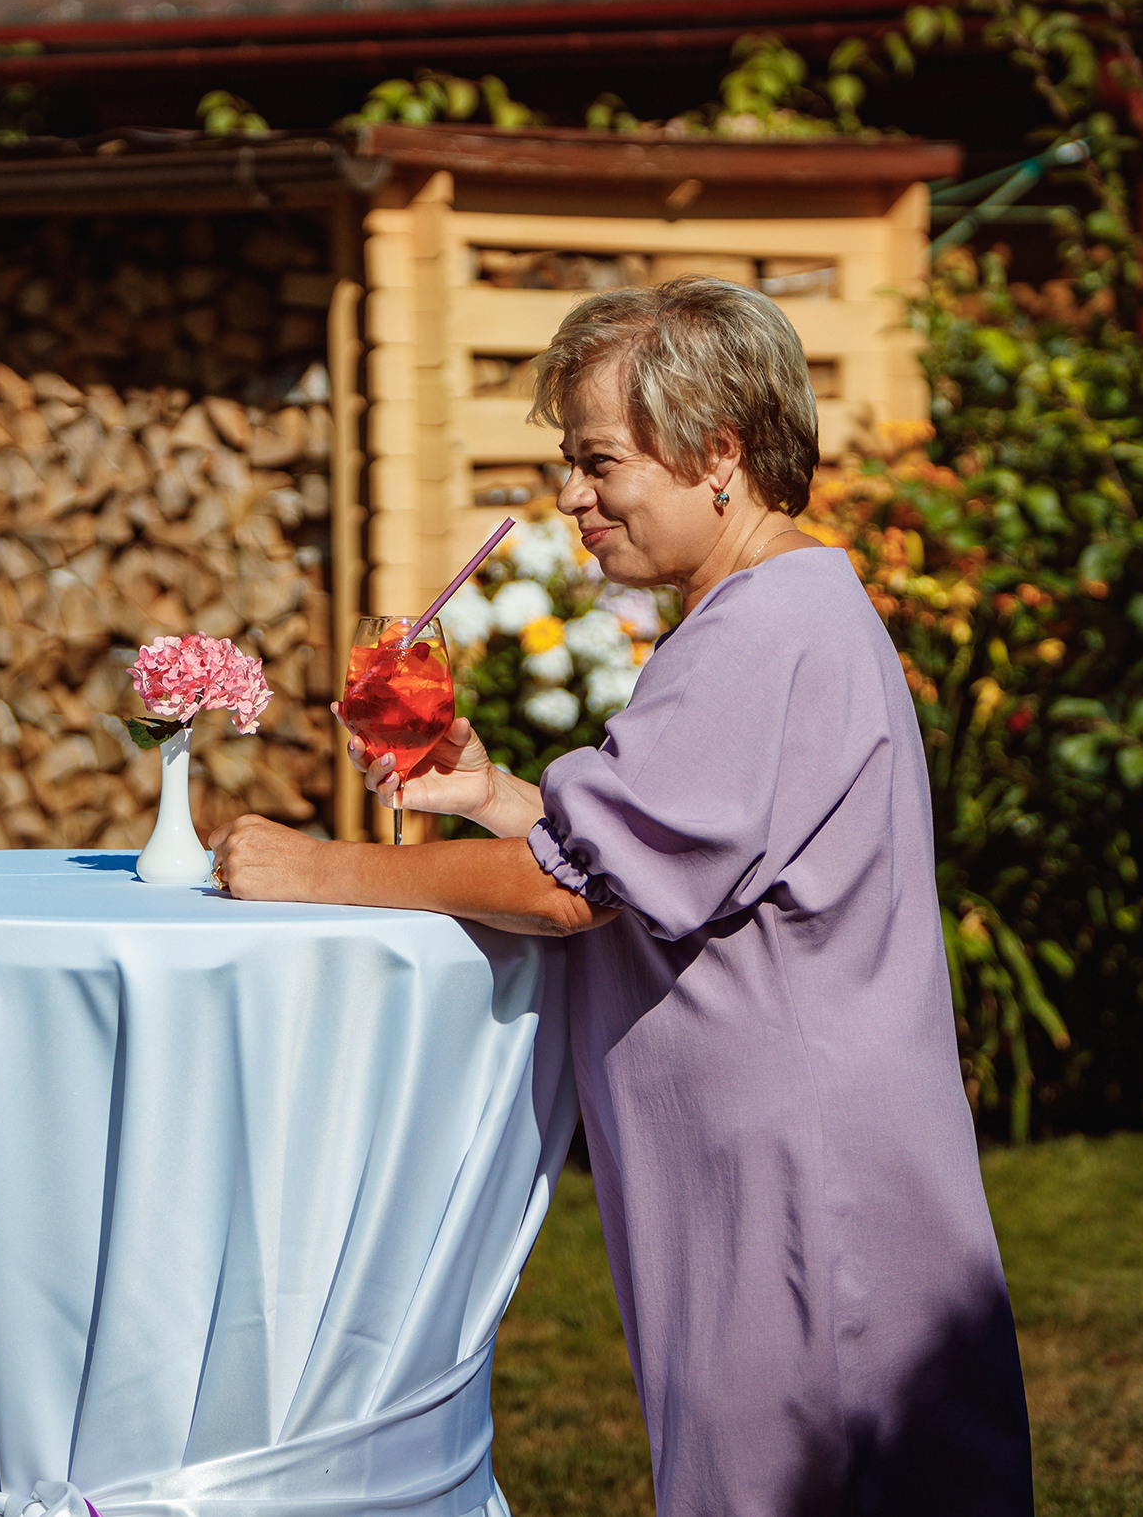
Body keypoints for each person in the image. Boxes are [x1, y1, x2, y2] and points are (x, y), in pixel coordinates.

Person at [213, 278, 1033, 1515]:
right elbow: (662, 858)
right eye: (568, 460)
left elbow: (569, 895)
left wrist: (312, 869)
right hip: (804, 1164)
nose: (569, 496)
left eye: (598, 461)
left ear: (718, 453)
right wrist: (499, 796)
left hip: (797, 1190)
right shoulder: (785, 604)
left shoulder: (762, 630)